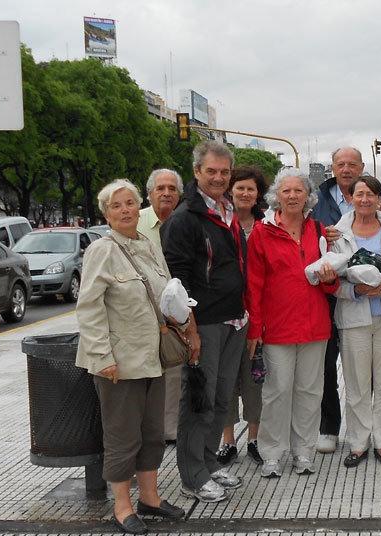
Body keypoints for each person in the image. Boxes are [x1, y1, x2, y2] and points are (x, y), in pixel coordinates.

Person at [75, 179, 185, 534]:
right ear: (106, 214)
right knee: (123, 436)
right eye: (117, 205)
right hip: (118, 363)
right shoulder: (102, 251)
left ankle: (150, 498)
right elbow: (89, 308)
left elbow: (166, 293)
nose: (126, 210)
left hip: (153, 358)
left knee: (153, 433)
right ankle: (122, 507)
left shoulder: (148, 246)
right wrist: (101, 355)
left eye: (130, 203)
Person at [160, 140, 247, 503]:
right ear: (196, 173)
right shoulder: (184, 219)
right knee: (198, 399)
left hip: (233, 320)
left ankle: (210, 463)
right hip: (204, 323)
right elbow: (177, 282)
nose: (218, 177)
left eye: (224, 172)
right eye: (210, 171)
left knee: (221, 398)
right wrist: (190, 330)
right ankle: (192, 475)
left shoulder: (229, 210)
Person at [246, 168, 338, 477]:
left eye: (299, 191)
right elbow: (254, 283)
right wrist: (256, 328)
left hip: (315, 325)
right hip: (278, 327)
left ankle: (303, 451)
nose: (293, 196)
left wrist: (329, 279)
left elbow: (331, 283)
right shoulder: (263, 231)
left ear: (309, 197)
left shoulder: (319, 230)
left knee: (311, 392)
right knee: (277, 392)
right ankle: (271, 452)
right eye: (286, 191)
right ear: (276, 197)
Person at [331, 175, 381, 468]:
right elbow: (330, 281)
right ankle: (357, 443)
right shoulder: (335, 235)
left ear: (380, 199)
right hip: (353, 319)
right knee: (356, 385)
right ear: (350, 197)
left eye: (371, 194)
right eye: (359, 194)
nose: (365, 199)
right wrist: (355, 289)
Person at [309, 147, 365, 454]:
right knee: (325, 367)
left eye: (352, 164)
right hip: (325, 298)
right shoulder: (317, 201)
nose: (346, 169)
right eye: (340, 164)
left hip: (361, 296)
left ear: (362, 167)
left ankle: (362, 428)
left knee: (360, 368)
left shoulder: (372, 198)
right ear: (332, 167)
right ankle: (328, 427)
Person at [217, 164, 269, 466]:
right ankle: (226, 441)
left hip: (258, 315)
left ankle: (254, 438)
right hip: (225, 313)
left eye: (251, 188)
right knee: (226, 381)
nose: (245, 193)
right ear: (230, 191)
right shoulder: (220, 223)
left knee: (255, 379)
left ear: (258, 193)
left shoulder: (267, 226)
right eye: (240, 188)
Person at [137, 168, 184, 447]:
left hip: (177, 312)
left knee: (174, 372)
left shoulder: (185, 221)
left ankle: (170, 431)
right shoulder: (136, 221)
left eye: (172, 188)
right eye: (160, 188)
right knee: (144, 373)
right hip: (142, 311)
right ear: (150, 193)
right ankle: (145, 429)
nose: (166, 193)